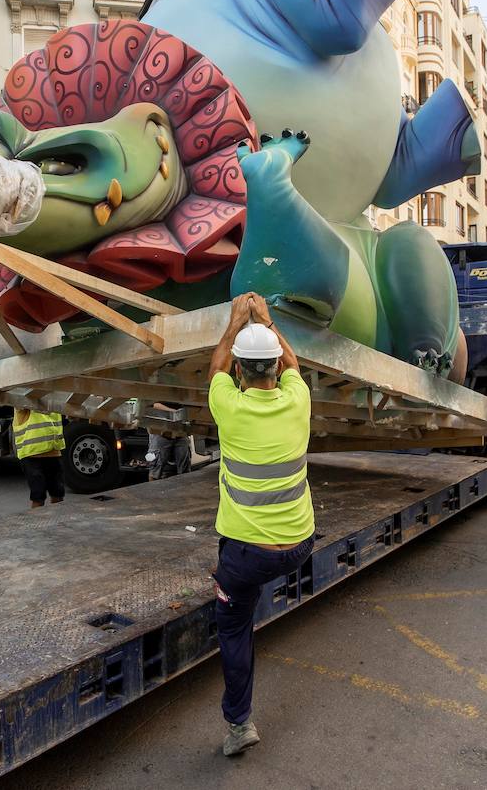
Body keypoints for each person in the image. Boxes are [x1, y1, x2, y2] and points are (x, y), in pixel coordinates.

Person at [208, 293, 315, 757]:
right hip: (299, 545)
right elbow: (293, 363)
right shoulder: (299, 399)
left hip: (247, 554)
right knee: (254, 582)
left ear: (239, 370)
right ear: (275, 366)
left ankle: (239, 726)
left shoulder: (227, 405)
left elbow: (214, 370)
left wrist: (234, 323)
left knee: (234, 630)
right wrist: (269, 324)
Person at [14, 407, 66, 508]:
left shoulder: (53, 398)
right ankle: (37, 522)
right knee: (38, 496)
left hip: (53, 452)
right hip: (32, 455)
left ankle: (58, 519)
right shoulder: (25, 399)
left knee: (58, 494)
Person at [147, 403, 192, 480]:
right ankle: (153, 490)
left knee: (185, 470)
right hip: (161, 432)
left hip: (180, 433)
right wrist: (177, 414)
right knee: (155, 471)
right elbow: (156, 405)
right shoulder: (160, 393)